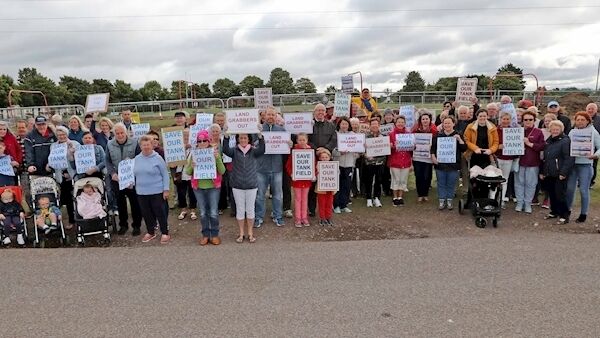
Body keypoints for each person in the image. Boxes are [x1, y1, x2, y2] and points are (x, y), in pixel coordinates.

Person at [223, 130, 265, 244]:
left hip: (251, 184)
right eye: (241, 138)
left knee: (250, 209)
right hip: (237, 185)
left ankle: (250, 232)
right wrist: (226, 137)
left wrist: (261, 137)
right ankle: (241, 233)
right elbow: (225, 150)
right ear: (238, 139)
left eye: (245, 138)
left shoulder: (253, 151)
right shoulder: (234, 151)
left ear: (249, 139)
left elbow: (262, 150)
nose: (243, 140)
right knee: (240, 210)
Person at [185, 130, 226, 245]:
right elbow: (187, 172)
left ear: (209, 141)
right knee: (203, 213)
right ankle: (205, 234)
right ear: (197, 142)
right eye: (199, 141)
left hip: (213, 187)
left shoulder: (214, 152)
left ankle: (215, 234)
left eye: (204, 140)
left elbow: (222, 171)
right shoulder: (193, 154)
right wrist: (192, 166)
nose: (202, 143)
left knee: (213, 212)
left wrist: (217, 158)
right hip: (198, 188)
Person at [254, 106, 290, 228]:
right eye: (268, 114)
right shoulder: (258, 130)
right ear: (264, 116)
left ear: (276, 116)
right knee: (260, 195)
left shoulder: (282, 130)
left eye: (273, 115)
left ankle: (277, 216)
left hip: (276, 167)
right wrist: (258, 140)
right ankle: (259, 217)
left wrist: (289, 144)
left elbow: (286, 149)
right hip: (261, 168)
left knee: (277, 195)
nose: (270, 117)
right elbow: (252, 148)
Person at [105, 123, 142, 235]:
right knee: (120, 203)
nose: (120, 135)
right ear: (114, 134)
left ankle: (136, 225)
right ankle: (123, 225)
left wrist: (133, 175)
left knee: (135, 202)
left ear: (126, 133)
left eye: (122, 133)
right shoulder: (110, 144)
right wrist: (112, 173)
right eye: (117, 133)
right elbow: (107, 161)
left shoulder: (135, 143)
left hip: (131, 178)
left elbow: (139, 158)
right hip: (117, 179)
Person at [134, 135, 171, 244]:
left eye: (148, 145)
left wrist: (166, 189)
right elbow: (133, 174)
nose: (146, 147)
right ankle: (151, 232)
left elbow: (165, 174)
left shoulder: (158, 158)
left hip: (156, 191)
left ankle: (165, 232)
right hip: (141, 191)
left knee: (160, 212)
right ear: (140, 146)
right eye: (143, 145)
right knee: (146, 213)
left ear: (152, 145)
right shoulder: (136, 159)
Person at [565, 112, 600, 223]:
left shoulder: (593, 132)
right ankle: (568, 210)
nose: (580, 122)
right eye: (578, 120)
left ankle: (583, 213)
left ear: (588, 121)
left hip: (585, 164)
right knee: (570, 189)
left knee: (584, 190)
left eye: (582, 120)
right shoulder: (572, 132)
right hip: (573, 164)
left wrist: (595, 155)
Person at [541, 120, 575, 224]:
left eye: (557, 129)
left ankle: (564, 214)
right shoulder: (549, 140)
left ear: (561, 130)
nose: (555, 131)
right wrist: (543, 171)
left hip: (559, 172)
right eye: (553, 129)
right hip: (550, 172)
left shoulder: (565, 141)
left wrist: (563, 172)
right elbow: (546, 158)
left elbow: (569, 158)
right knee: (552, 193)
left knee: (560, 194)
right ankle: (554, 211)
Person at [431, 116, 467, 210]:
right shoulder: (438, 136)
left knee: (451, 183)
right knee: (441, 183)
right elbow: (433, 149)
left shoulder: (458, 135)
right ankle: (442, 200)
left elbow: (464, 149)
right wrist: (433, 157)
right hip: (440, 164)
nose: (447, 125)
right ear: (442, 124)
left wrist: (459, 140)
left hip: (453, 165)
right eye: (445, 123)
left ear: (453, 124)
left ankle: (450, 200)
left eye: (449, 123)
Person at [46, 126, 78, 229]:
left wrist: (71, 152)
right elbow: (52, 159)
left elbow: (79, 161)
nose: (61, 136)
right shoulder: (53, 146)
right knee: (62, 199)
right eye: (59, 135)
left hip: (72, 174)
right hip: (60, 175)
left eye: (63, 134)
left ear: (67, 134)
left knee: (71, 199)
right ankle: (56, 220)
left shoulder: (74, 144)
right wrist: (49, 165)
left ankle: (73, 220)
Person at [308, 103, 337, 216]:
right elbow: (307, 139)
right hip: (313, 158)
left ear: (325, 113)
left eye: (322, 110)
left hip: (326, 159)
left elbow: (333, 139)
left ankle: (326, 210)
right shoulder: (309, 125)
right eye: (318, 110)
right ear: (314, 112)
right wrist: (316, 150)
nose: (320, 112)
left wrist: (325, 150)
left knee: (326, 184)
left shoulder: (330, 125)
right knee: (313, 184)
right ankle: (311, 209)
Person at [514, 110, 545, 214]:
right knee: (519, 183)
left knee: (531, 184)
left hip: (533, 162)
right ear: (522, 121)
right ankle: (519, 202)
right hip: (519, 161)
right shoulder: (517, 131)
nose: (528, 121)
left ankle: (527, 203)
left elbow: (542, 146)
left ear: (534, 120)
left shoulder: (538, 132)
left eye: (530, 119)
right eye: (525, 119)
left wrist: (530, 144)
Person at [286, 133, 313, 227]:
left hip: (306, 180)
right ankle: (298, 218)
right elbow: (288, 165)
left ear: (307, 140)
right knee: (297, 199)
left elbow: (313, 164)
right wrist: (291, 174)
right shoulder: (294, 151)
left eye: (303, 140)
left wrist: (314, 174)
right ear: (297, 141)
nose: (302, 142)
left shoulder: (310, 151)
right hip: (297, 180)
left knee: (305, 199)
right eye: (300, 140)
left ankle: (304, 218)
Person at [333, 118, 358, 213]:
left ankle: (344, 205)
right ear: (339, 125)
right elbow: (332, 151)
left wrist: (360, 149)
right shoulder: (335, 135)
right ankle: (336, 205)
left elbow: (358, 151)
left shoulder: (354, 136)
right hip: (338, 163)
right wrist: (340, 153)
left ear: (349, 125)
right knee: (337, 185)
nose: (344, 126)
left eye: (346, 124)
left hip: (349, 164)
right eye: (342, 124)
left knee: (347, 185)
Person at [412, 110, 438, 202]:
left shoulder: (434, 131)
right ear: (420, 120)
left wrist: (432, 146)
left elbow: (436, 144)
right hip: (417, 157)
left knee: (427, 176)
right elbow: (412, 143)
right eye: (423, 119)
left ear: (429, 120)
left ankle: (425, 194)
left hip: (428, 157)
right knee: (418, 175)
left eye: (427, 119)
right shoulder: (415, 130)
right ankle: (420, 194)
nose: (425, 120)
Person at [495, 112, 519, 208]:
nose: (505, 121)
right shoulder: (495, 130)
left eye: (507, 119)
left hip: (508, 159)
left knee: (505, 180)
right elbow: (490, 144)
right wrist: (497, 147)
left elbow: (517, 146)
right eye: (503, 119)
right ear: (500, 119)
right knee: (494, 180)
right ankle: (493, 199)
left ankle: (501, 200)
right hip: (496, 158)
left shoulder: (514, 131)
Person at [388, 116, 412, 206]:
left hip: (405, 160)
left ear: (405, 123)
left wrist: (414, 146)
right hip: (395, 161)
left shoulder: (408, 134)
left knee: (403, 180)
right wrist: (391, 146)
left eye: (402, 122)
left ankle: (400, 197)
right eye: (399, 122)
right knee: (395, 180)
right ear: (395, 123)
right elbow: (388, 149)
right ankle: (395, 197)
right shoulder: (391, 134)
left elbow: (411, 150)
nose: (400, 124)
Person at [362, 118, 386, 207]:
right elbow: (362, 150)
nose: (375, 126)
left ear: (379, 125)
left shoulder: (383, 137)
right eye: (373, 124)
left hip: (380, 162)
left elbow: (385, 150)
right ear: (370, 126)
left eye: (376, 124)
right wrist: (366, 154)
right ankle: (368, 198)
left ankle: (376, 198)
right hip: (369, 162)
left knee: (378, 180)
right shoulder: (365, 137)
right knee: (369, 180)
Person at [315, 148, 335, 226]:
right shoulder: (318, 166)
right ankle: (322, 218)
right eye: (322, 157)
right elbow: (315, 175)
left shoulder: (333, 166)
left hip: (330, 188)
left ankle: (328, 217)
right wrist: (317, 173)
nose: (324, 159)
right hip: (321, 189)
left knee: (329, 203)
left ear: (329, 158)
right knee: (322, 204)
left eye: (326, 157)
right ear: (320, 158)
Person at [586, 103, 599, 187]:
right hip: (583, 145)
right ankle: (582, 181)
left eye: (592, 109)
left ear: (596, 110)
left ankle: (591, 181)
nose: (590, 110)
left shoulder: (599, 119)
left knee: (593, 164)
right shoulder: (582, 118)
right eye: (589, 109)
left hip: (594, 145)